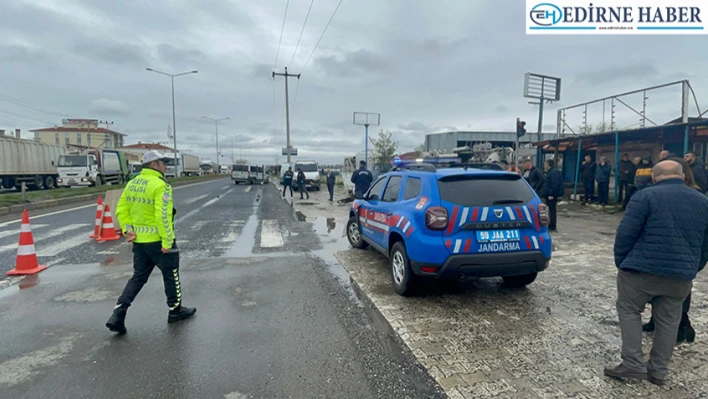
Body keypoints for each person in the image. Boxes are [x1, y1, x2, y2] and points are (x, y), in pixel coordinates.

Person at [605, 160, 708, 385]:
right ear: (682, 176)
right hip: (680, 275)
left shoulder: (644, 197)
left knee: (629, 310)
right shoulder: (703, 201)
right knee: (669, 321)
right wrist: (694, 266)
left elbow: (626, 234)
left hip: (641, 271)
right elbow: (706, 243)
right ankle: (658, 371)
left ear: (654, 177)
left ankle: (632, 364)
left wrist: (621, 261)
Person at [106, 150, 196, 335]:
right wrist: (167, 241)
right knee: (171, 275)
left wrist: (127, 229)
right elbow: (163, 216)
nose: (166, 166)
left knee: (138, 277)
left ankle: (119, 312)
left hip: (139, 241)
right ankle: (175, 310)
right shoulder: (160, 185)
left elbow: (122, 209)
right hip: (158, 241)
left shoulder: (132, 183)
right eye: (163, 163)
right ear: (153, 165)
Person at [642, 157, 702, 344]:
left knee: (679, 296)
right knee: (660, 291)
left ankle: (681, 327)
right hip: (669, 249)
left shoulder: (694, 194)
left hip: (683, 250)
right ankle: (656, 321)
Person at [541, 159, 563, 232]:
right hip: (549, 195)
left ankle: (552, 226)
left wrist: (551, 194)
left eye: (545, 164)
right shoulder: (550, 172)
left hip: (551, 195)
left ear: (548, 165)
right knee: (550, 210)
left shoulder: (553, 173)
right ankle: (551, 225)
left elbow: (554, 184)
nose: (544, 166)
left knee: (552, 210)